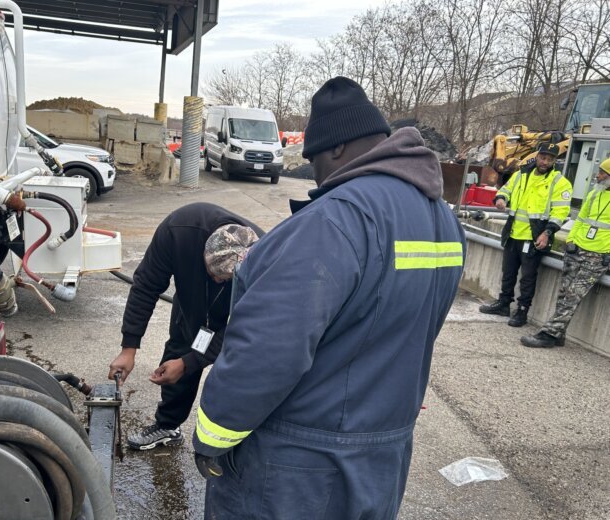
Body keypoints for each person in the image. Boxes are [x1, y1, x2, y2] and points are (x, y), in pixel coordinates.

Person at [191, 77, 466, 519]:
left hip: (298, 470)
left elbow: (266, 353)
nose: (317, 174)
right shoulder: (441, 221)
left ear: (336, 149)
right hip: (382, 458)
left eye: (314, 158)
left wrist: (211, 437)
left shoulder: (332, 222)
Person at [107, 202, 262, 450]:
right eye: (213, 274)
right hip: (192, 301)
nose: (217, 281)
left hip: (235, 312)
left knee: (235, 370)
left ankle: (234, 443)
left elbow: (246, 327)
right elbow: (146, 286)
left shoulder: (265, 258)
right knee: (179, 350)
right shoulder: (178, 230)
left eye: (224, 280)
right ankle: (168, 426)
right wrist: (129, 348)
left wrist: (191, 363)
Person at [479, 142, 573, 326]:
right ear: (537, 156)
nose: (545, 161)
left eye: (550, 159)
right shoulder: (521, 175)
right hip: (513, 232)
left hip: (535, 236)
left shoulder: (560, 182)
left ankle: (522, 311)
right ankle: (504, 304)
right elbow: (506, 190)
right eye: (543, 157)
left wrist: (547, 233)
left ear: (555, 161)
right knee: (508, 272)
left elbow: (560, 213)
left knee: (528, 278)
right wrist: (500, 199)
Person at [521, 160, 610, 348]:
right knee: (564, 292)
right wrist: (571, 240)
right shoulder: (595, 193)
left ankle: (549, 335)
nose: (598, 175)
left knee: (573, 294)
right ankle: (559, 333)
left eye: (602, 173)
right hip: (577, 249)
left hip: (598, 255)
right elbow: (581, 220)